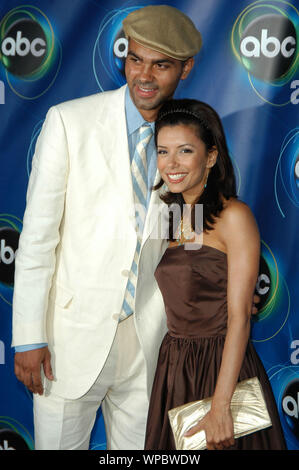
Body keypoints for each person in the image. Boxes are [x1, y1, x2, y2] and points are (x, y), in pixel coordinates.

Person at [12, 5, 259, 450]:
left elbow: (190, 240)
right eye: (135, 58)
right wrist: (29, 336)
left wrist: (230, 288)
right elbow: (37, 239)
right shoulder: (69, 122)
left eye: (161, 64)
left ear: (186, 69)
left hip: (154, 349)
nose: (144, 75)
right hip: (69, 343)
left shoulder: (186, 143)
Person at [144, 98, 287, 450]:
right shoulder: (170, 216)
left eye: (184, 151)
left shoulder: (234, 215)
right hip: (174, 370)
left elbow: (239, 318)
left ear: (210, 157)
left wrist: (221, 405)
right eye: (163, 151)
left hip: (220, 367)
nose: (171, 164)